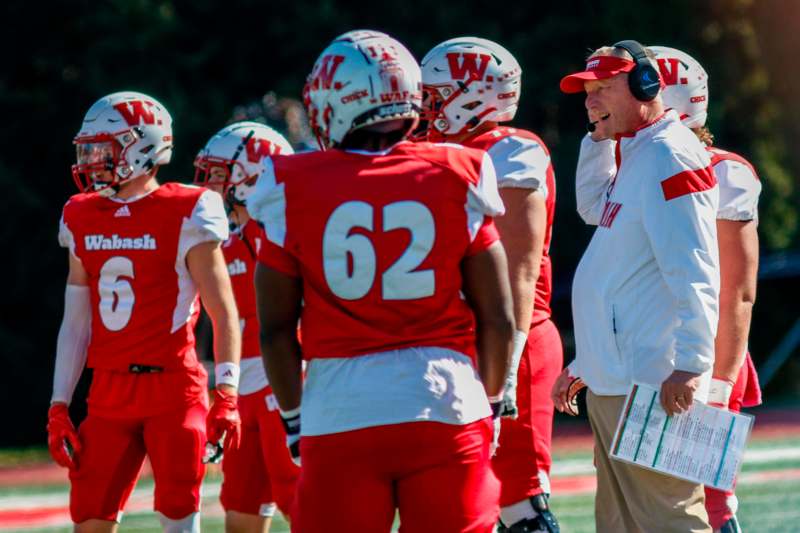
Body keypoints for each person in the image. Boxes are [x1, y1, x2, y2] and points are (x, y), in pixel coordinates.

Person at [247, 29, 515, 533]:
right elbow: (498, 316)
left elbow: (276, 329)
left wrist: (293, 418)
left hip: (340, 408)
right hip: (446, 400)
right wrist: (494, 401)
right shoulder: (460, 169)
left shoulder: (290, 184)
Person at [568, 45, 763, 533]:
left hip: (652, 378)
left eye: (601, 89)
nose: (590, 101)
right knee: (622, 524)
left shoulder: (670, 155)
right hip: (620, 374)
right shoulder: (640, 149)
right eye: (587, 92)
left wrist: (694, 365)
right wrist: (584, 363)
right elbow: (595, 210)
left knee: (673, 521)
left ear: (647, 88)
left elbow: (697, 269)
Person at [46, 91, 242, 533]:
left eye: (103, 148)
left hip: (173, 388)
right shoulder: (80, 214)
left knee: (178, 517)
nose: (92, 159)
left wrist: (227, 390)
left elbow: (221, 309)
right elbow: (76, 322)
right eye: (89, 149)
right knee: (90, 520)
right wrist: (59, 405)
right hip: (109, 390)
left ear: (142, 146)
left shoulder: (187, 209)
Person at [420, 37, 561, 533]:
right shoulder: (446, 150)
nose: (425, 107)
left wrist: (503, 371)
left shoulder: (510, 150)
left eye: (435, 95)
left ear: (475, 95)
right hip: (461, 341)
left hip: (510, 340)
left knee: (519, 503)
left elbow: (519, 270)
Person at [194, 121, 301, 532]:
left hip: (284, 382)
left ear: (252, 176)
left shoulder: (277, 232)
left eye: (219, 174)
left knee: (302, 500)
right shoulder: (221, 237)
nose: (210, 185)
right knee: (240, 509)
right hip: (240, 388)